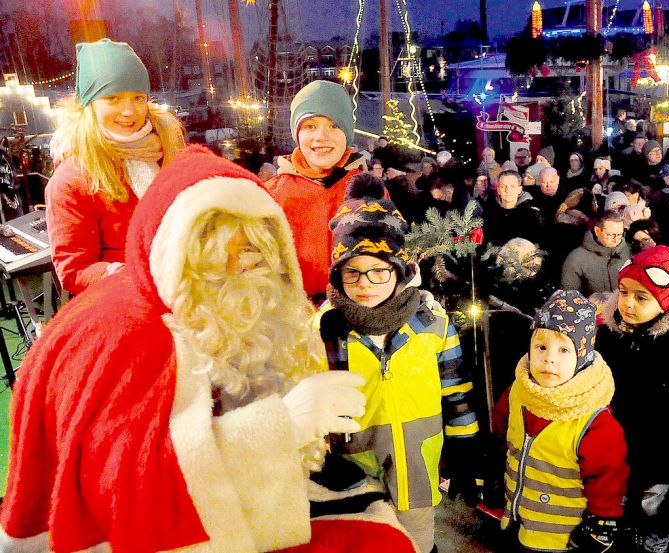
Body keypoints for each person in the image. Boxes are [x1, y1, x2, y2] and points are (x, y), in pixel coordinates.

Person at [0, 147, 416, 552]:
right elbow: (135, 489)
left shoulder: (242, 302)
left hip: (256, 505)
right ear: (180, 253)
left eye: (256, 249)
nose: (244, 267)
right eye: (220, 254)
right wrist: (283, 424)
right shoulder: (128, 335)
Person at [316, 176, 479, 553]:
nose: (365, 284)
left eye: (378, 271)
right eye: (352, 272)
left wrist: (465, 447)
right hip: (354, 463)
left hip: (419, 460)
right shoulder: (327, 329)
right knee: (371, 539)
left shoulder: (432, 323)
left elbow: (456, 390)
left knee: (419, 537)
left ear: (400, 271)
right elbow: (313, 400)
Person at [46, 38, 185, 296]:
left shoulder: (169, 152)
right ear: (89, 105)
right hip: (132, 306)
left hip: (187, 298)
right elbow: (75, 270)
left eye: (138, 98)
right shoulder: (71, 179)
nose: (129, 111)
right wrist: (135, 277)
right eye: (113, 98)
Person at [495, 290, 628, 553]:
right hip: (517, 520)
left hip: (562, 536)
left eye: (564, 349)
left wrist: (602, 520)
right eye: (541, 347)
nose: (549, 358)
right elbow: (502, 432)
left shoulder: (594, 420)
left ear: (582, 357)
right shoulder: (517, 394)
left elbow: (608, 476)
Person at [595, 246, 669, 552]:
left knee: (652, 506)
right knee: (617, 500)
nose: (628, 303)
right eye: (623, 292)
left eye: (641, 297)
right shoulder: (609, 335)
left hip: (660, 453)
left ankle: (654, 540)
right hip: (614, 444)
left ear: (666, 302)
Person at [265, 80, 365, 299]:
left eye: (334, 125)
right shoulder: (272, 195)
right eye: (310, 126)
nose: (321, 137)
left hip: (355, 317)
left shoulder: (367, 190)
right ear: (297, 133)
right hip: (295, 319)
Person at [561, 210, 632, 297]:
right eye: (610, 235)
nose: (615, 239)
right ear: (597, 231)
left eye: (620, 235)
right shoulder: (576, 258)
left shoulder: (631, 252)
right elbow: (569, 297)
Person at [482, 169, 544, 246]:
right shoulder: (489, 214)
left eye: (512, 186)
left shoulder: (532, 216)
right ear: (498, 190)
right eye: (503, 186)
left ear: (519, 190)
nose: (507, 190)